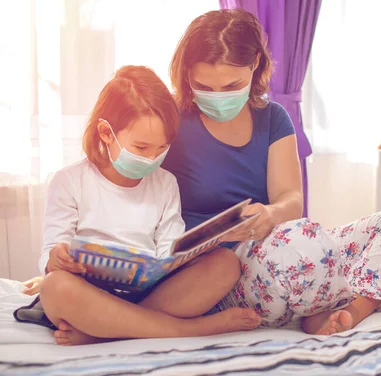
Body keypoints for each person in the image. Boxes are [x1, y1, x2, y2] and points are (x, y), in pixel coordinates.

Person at [163, 9, 381, 336]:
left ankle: (354, 308)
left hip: (274, 250)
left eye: (232, 85)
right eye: (203, 86)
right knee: (304, 243)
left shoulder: (273, 118)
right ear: (186, 75)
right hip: (221, 277)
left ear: (255, 66)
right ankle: (327, 298)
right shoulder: (171, 118)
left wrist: (269, 214)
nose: (218, 98)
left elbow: (290, 199)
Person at [17, 65, 261, 346]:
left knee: (226, 263)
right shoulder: (70, 181)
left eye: (162, 148)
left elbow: (169, 249)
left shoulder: (165, 183)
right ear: (106, 133)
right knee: (55, 287)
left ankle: (102, 332)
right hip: (89, 293)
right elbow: (51, 252)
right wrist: (56, 259)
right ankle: (191, 329)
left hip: (147, 294)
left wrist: (201, 245)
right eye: (141, 148)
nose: (152, 158)